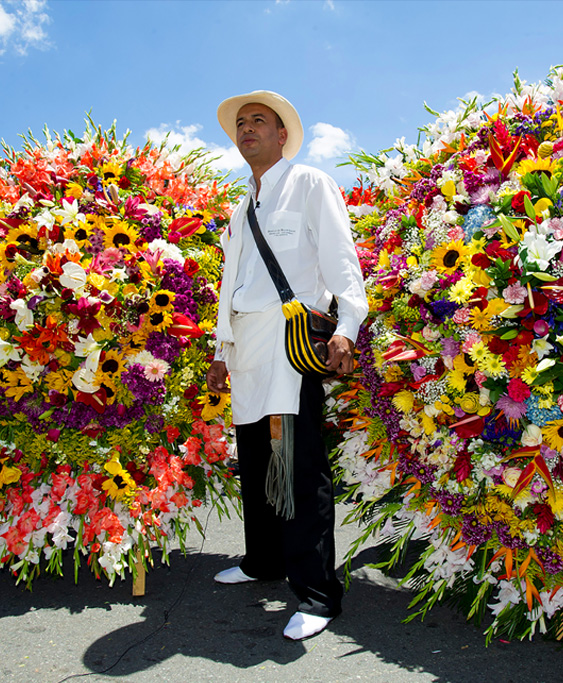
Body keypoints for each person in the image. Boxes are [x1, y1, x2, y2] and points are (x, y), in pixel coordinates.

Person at [206, 90, 368, 641]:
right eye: (241, 123)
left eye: (260, 122)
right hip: (247, 350)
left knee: (298, 467)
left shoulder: (309, 185)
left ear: (282, 136)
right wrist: (220, 351)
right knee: (254, 461)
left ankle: (319, 595)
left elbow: (342, 263)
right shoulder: (240, 207)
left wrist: (346, 329)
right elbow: (232, 285)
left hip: (291, 345)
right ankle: (263, 561)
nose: (247, 129)